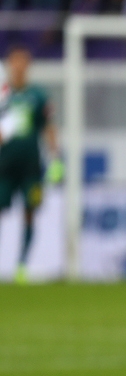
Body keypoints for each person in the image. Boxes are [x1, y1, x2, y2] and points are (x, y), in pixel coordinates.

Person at [0, 46, 60, 285]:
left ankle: (22, 266)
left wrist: (56, 159)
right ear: (9, 65)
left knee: (29, 213)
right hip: (3, 166)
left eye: (22, 62)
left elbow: (48, 127)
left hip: (31, 167)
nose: (18, 67)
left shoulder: (38, 95)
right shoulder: (3, 95)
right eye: (14, 62)